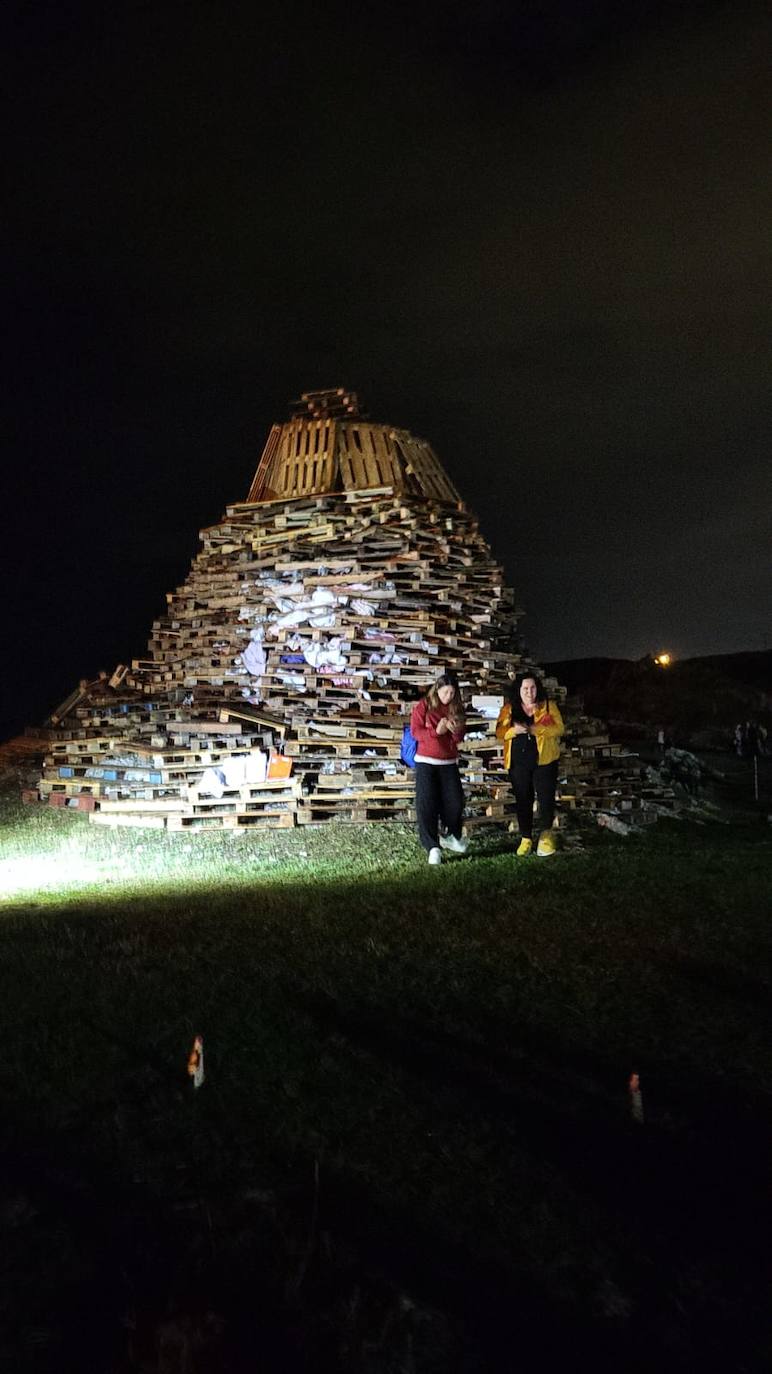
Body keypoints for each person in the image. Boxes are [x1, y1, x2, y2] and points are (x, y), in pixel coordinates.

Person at [495, 672, 565, 856]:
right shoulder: (509, 709)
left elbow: (559, 728)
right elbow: (500, 732)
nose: (529, 692)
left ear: (538, 689)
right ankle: (526, 837)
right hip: (518, 761)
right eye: (525, 688)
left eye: (532, 687)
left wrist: (536, 729)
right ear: (518, 690)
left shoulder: (548, 706)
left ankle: (546, 835)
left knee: (545, 798)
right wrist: (513, 731)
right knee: (523, 799)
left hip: (545, 760)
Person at [410, 670, 469, 865]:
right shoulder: (424, 706)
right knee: (426, 804)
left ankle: (450, 834)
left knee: (455, 801)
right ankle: (432, 847)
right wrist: (436, 732)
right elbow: (416, 732)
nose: (448, 697)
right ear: (437, 690)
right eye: (445, 693)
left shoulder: (457, 709)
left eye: (452, 693)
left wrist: (456, 730)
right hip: (426, 761)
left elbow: (458, 738)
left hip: (448, 762)